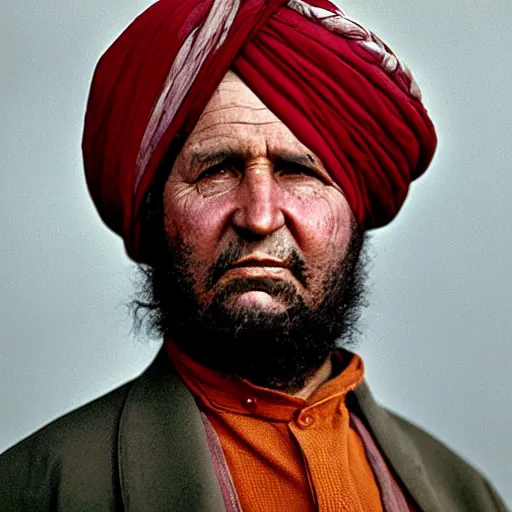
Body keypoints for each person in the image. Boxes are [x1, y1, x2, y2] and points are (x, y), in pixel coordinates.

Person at [0, 0, 508, 510]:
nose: (260, 216)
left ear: (354, 212)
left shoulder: (466, 497)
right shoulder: (38, 490)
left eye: (299, 172)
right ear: (155, 210)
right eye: (216, 170)